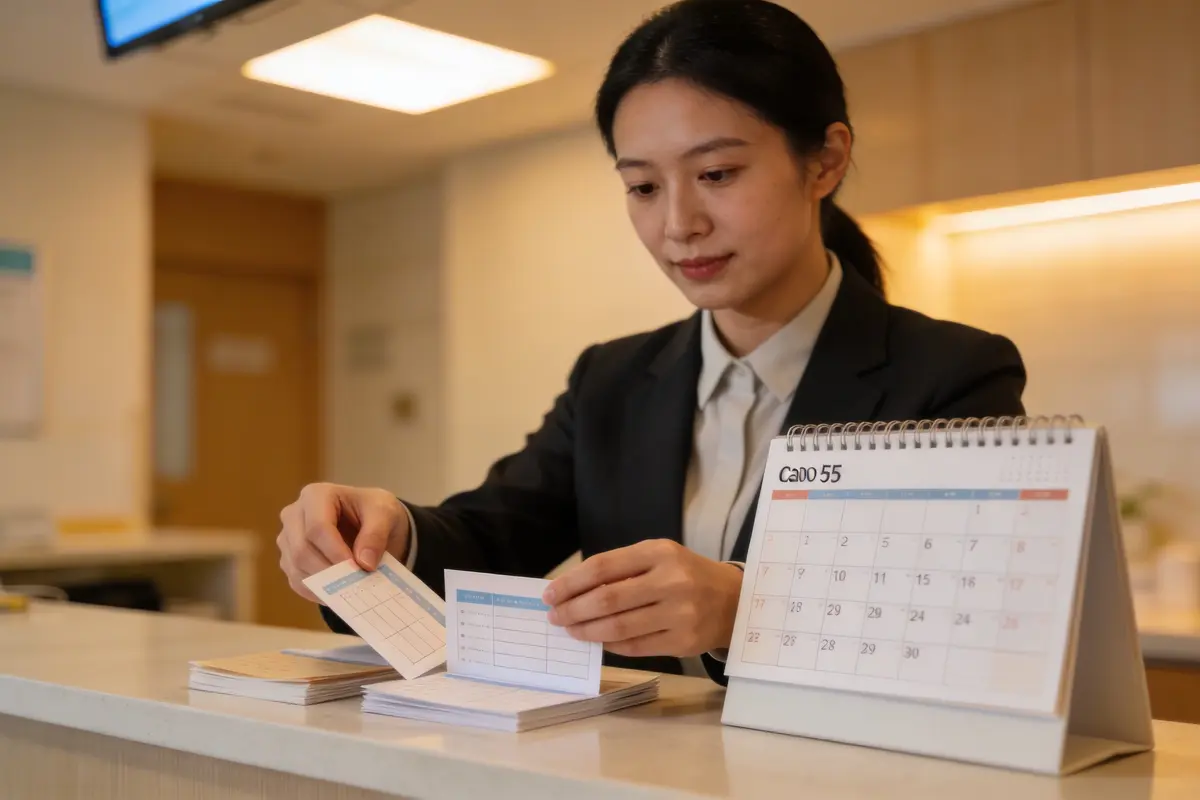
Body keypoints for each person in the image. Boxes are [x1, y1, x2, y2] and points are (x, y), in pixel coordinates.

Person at [277, 0, 1026, 684]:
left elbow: (975, 627)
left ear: (825, 161)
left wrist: (745, 608)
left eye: (718, 172)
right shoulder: (611, 379)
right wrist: (383, 535)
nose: (678, 224)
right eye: (643, 187)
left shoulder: (952, 374)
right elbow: (488, 538)